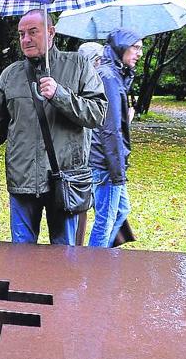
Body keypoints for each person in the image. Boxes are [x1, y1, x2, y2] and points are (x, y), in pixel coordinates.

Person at [0, 9, 107, 245]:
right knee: (21, 260)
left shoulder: (78, 65)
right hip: (23, 181)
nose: (26, 39)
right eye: (21, 34)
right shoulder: (10, 76)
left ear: (51, 32)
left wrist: (59, 94)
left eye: (33, 32)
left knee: (64, 261)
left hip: (65, 181)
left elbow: (97, 114)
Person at [88, 29, 143, 247]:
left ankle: (101, 260)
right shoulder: (109, 76)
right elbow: (109, 130)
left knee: (121, 210)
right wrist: (117, 172)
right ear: (121, 47)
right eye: (136, 47)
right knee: (105, 221)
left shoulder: (115, 75)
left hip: (109, 161)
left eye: (141, 48)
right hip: (105, 163)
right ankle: (93, 269)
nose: (139, 53)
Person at [75, 41, 104, 246]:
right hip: (88, 160)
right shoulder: (83, 84)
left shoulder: (95, 86)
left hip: (90, 158)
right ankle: (82, 253)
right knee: (81, 210)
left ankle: (80, 250)